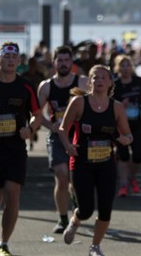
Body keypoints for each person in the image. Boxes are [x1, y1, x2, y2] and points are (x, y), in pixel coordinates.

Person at [58, 64, 133, 256]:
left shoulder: (116, 107)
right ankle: (76, 220)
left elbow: (128, 135)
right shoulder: (79, 102)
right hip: (81, 162)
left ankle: (95, 246)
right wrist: (68, 146)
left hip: (106, 163)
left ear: (109, 82)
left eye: (102, 77)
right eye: (94, 77)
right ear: (89, 82)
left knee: (106, 209)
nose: (99, 80)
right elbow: (62, 129)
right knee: (86, 209)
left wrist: (124, 139)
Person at [0, 42, 42, 256]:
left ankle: (3, 244)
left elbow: (38, 114)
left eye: (15, 58)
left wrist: (30, 129)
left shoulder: (25, 86)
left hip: (15, 149)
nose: (11, 60)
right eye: (7, 57)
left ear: (18, 62)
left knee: (12, 195)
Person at [37, 45, 89, 234]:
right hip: (57, 136)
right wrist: (49, 125)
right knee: (61, 176)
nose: (64, 64)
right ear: (54, 62)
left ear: (72, 62)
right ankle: (62, 218)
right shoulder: (46, 86)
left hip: (78, 136)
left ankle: (75, 200)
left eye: (67, 60)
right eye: (60, 60)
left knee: (75, 180)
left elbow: (96, 103)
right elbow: (35, 112)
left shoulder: (82, 83)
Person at [112, 54, 141, 197]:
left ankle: (131, 176)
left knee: (138, 156)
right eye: (122, 65)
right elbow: (111, 104)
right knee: (123, 155)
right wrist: (122, 105)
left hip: (136, 124)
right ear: (117, 67)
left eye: (128, 65)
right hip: (121, 125)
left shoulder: (138, 81)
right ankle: (123, 184)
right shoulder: (115, 84)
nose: (126, 68)